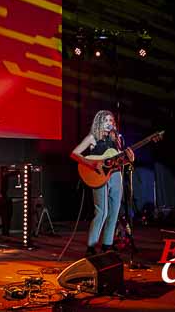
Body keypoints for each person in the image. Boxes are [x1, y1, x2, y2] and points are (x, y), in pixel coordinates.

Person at [71, 110, 134, 256]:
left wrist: (130, 158)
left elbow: (117, 161)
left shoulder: (116, 139)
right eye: (106, 120)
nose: (109, 123)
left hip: (116, 174)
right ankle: (91, 246)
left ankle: (107, 245)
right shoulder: (92, 138)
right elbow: (75, 154)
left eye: (111, 121)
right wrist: (92, 164)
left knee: (114, 211)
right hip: (99, 176)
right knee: (102, 212)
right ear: (99, 122)